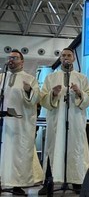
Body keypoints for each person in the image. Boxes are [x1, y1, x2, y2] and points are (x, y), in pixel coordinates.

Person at [39, 48, 89, 194]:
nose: (66, 58)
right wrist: (53, 93)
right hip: (56, 120)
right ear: (60, 58)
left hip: (75, 120)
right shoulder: (50, 78)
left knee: (75, 148)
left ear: (74, 58)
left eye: (69, 55)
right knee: (53, 148)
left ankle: (77, 181)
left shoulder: (82, 78)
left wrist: (78, 92)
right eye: (63, 55)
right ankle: (49, 181)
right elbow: (43, 99)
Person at [0, 50, 43, 195]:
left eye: (15, 58)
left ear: (22, 61)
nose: (11, 60)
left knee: (18, 155)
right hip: (4, 123)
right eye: (10, 57)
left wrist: (29, 90)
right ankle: (2, 181)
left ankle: (18, 185)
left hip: (21, 124)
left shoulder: (30, 79)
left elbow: (36, 98)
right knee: (3, 153)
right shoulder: (2, 77)